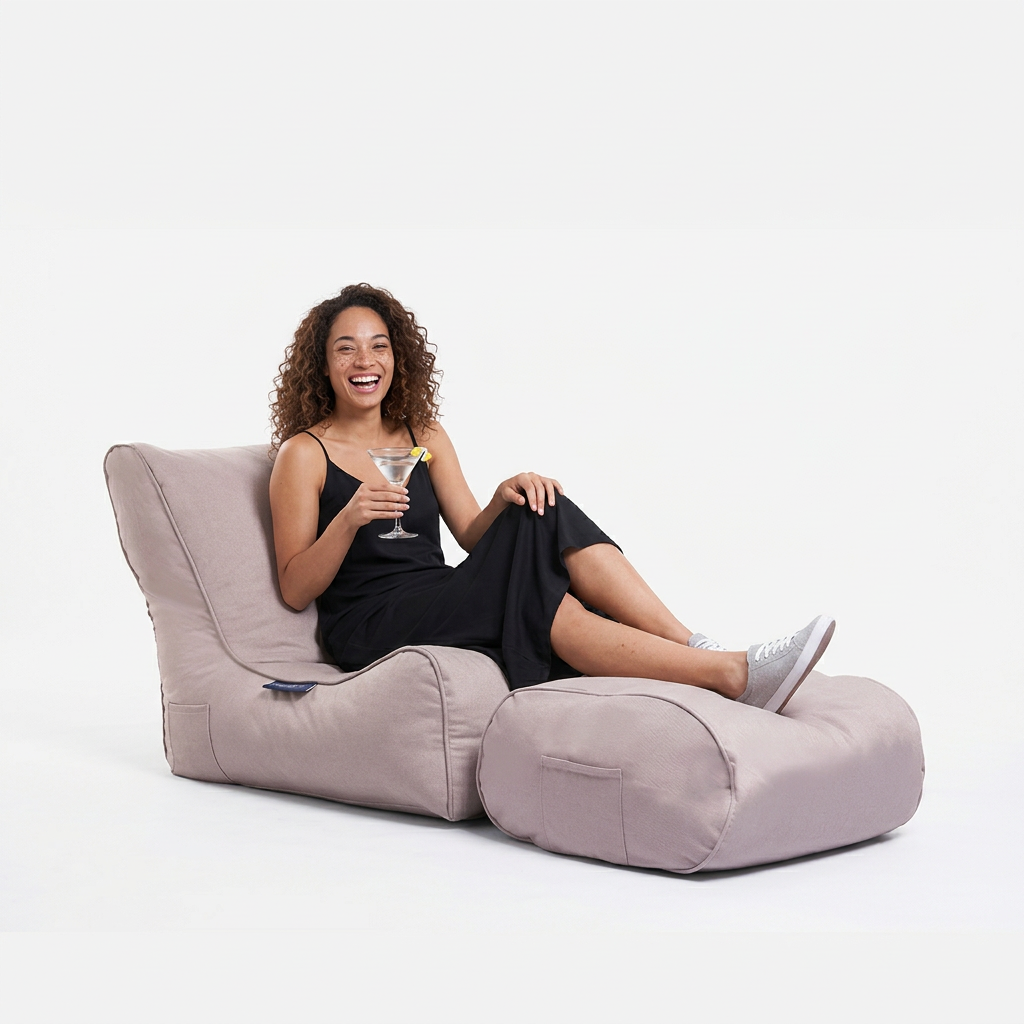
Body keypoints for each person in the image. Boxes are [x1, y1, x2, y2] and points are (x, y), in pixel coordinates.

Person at [268, 283, 835, 713]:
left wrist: (500, 499)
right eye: (346, 349)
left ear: (397, 357)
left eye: (379, 346)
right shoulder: (304, 454)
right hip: (370, 621)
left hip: (438, 591)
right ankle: (731, 673)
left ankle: (693, 643)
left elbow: (471, 537)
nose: (365, 362)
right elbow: (294, 589)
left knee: (543, 508)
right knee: (536, 593)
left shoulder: (425, 434)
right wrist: (349, 519)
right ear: (324, 364)